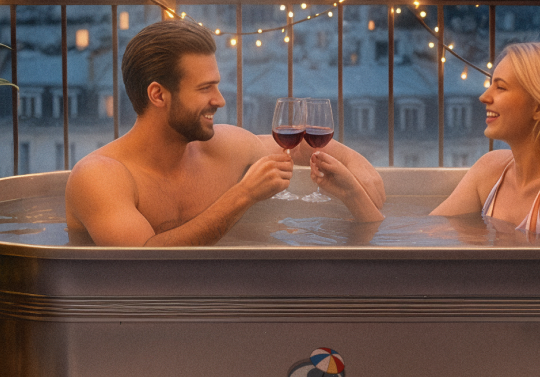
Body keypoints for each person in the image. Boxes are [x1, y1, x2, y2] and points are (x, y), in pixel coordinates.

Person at [66, 18, 383, 246]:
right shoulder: (99, 177)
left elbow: (298, 147)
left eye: (216, 85)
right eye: (205, 88)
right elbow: (145, 266)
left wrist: (354, 175)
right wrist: (243, 195)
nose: (219, 100)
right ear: (158, 95)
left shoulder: (225, 148)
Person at [427, 42, 540, 236]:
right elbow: (428, 233)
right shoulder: (491, 169)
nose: (484, 97)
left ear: (539, 107)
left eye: (501, 88)